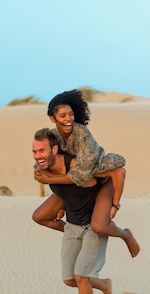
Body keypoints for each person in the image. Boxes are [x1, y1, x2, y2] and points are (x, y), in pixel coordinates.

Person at [32, 128, 114, 294]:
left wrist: (113, 205)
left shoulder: (76, 163)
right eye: (34, 152)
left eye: (41, 151)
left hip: (93, 226)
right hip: (73, 225)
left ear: (54, 149)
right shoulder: (42, 170)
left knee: (81, 276)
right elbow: (66, 193)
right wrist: (62, 208)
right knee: (70, 279)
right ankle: (104, 284)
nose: (37, 156)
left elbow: (82, 180)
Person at [35, 89, 127, 220]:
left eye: (71, 114)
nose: (68, 119)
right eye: (63, 115)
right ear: (52, 118)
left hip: (95, 166)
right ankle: (72, 230)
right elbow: (41, 165)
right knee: (40, 216)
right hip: (76, 180)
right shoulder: (53, 136)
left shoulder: (81, 133)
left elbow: (81, 174)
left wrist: (49, 179)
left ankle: (116, 212)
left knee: (117, 165)